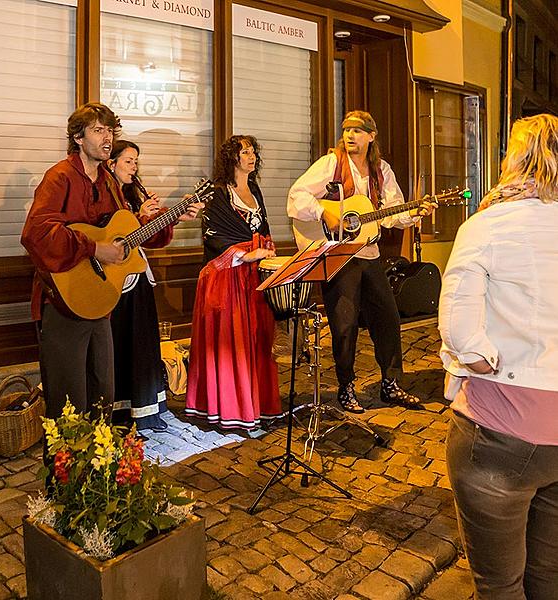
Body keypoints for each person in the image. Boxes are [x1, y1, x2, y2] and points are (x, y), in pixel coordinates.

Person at [439, 113, 558, 600]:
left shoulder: (488, 224)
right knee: (549, 578)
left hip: (500, 431)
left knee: (499, 584)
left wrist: (489, 362)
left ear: (514, 159)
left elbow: (460, 328)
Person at [287, 110, 435, 413]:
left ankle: (391, 384)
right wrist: (323, 212)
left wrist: (415, 212)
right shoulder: (331, 164)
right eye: (346, 130)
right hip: (339, 255)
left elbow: (392, 211)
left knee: (388, 318)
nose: (350, 135)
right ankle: (346, 387)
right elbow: (297, 195)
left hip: (369, 254)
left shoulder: (381, 171)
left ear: (371, 136)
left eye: (357, 130)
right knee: (344, 324)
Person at [20, 102, 127, 421]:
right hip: (63, 304)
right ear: (78, 137)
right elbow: (36, 233)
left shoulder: (108, 180)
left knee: (103, 395)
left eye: (110, 130)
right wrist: (93, 249)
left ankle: (100, 468)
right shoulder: (60, 177)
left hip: (99, 304)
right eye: (98, 130)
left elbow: (122, 232)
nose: (107, 137)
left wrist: (167, 219)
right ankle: (64, 471)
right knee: (68, 405)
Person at [184, 135, 282, 430]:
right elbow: (212, 234)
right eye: (244, 152)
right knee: (232, 342)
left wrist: (267, 249)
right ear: (232, 158)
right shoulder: (217, 193)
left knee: (256, 340)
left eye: (253, 151)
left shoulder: (254, 189)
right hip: (227, 277)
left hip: (253, 278)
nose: (251, 156)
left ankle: (257, 405)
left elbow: (263, 226)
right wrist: (247, 253)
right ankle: (231, 408)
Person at [106, 139, 201, 432]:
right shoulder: (103, 195)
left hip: (136, 276)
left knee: (142, 342)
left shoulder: (132, 194)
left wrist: (170, 217)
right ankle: (119, 412)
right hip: (112, 280)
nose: (134, 167)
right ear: (111, 164)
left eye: (136, 161)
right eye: (128, 161)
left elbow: (150, 238)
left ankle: (145, 409)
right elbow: (109, 235)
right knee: (120, 344)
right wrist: (141, 217)